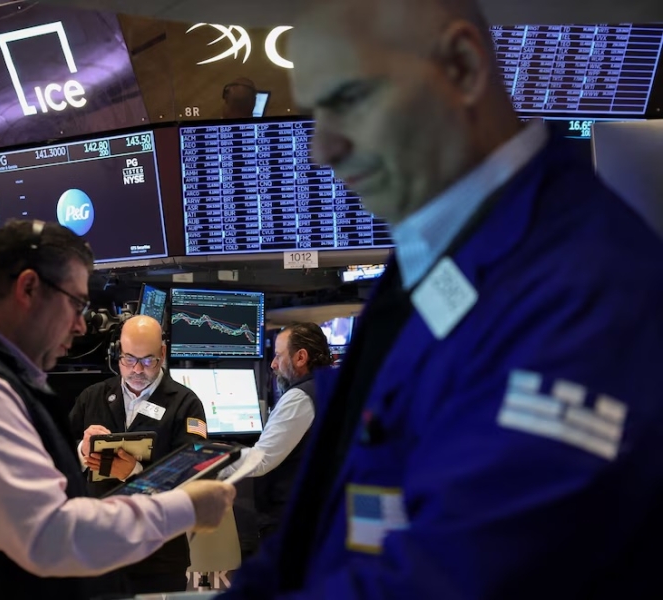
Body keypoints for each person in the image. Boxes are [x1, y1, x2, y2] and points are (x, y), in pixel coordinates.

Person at [223, 0, 663, 597]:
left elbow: (457, 574)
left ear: (462, 67)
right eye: (314, 112)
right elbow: (319, 526)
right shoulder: (434, 256)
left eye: (350, 98)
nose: (323, 148)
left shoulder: (588, 287)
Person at [0, 219, 235, 600]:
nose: (82, 326)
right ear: (29, 288)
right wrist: (185, 508)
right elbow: (52, 536)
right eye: (76, 304)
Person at [69, 314, 208, 595]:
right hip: (97, 549)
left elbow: (193, 475)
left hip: (157, 556)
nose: (137, 369)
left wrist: (135, 474)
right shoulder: (92, 397)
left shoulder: (186, 404)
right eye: (129, 359)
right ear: (117, 353)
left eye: (147, 361)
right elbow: (56, 459)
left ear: (162, 354)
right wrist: (82, 451)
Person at [218, 322, 332, 540]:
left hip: (290, 519)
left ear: (301, 357)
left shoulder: (299, 397)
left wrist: (210, 463)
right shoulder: (329, 386)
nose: (273, 364)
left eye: (279, 355)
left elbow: (261, 460)